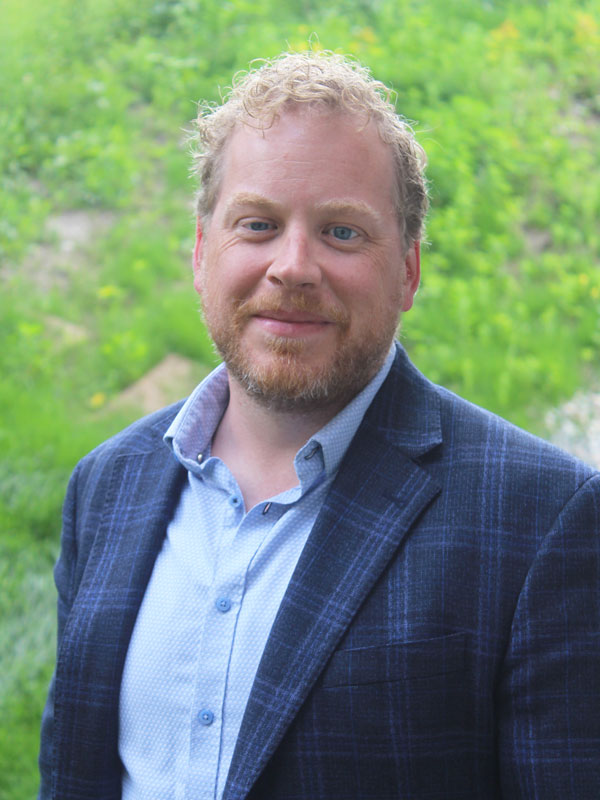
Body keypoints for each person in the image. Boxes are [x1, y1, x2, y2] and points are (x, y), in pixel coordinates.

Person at [39, 51, 600, 800]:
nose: (293, 266)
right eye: (258, 224)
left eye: (341, 232)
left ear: (408, 271)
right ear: (202, 252)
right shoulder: (105, 487)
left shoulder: (543, 519)